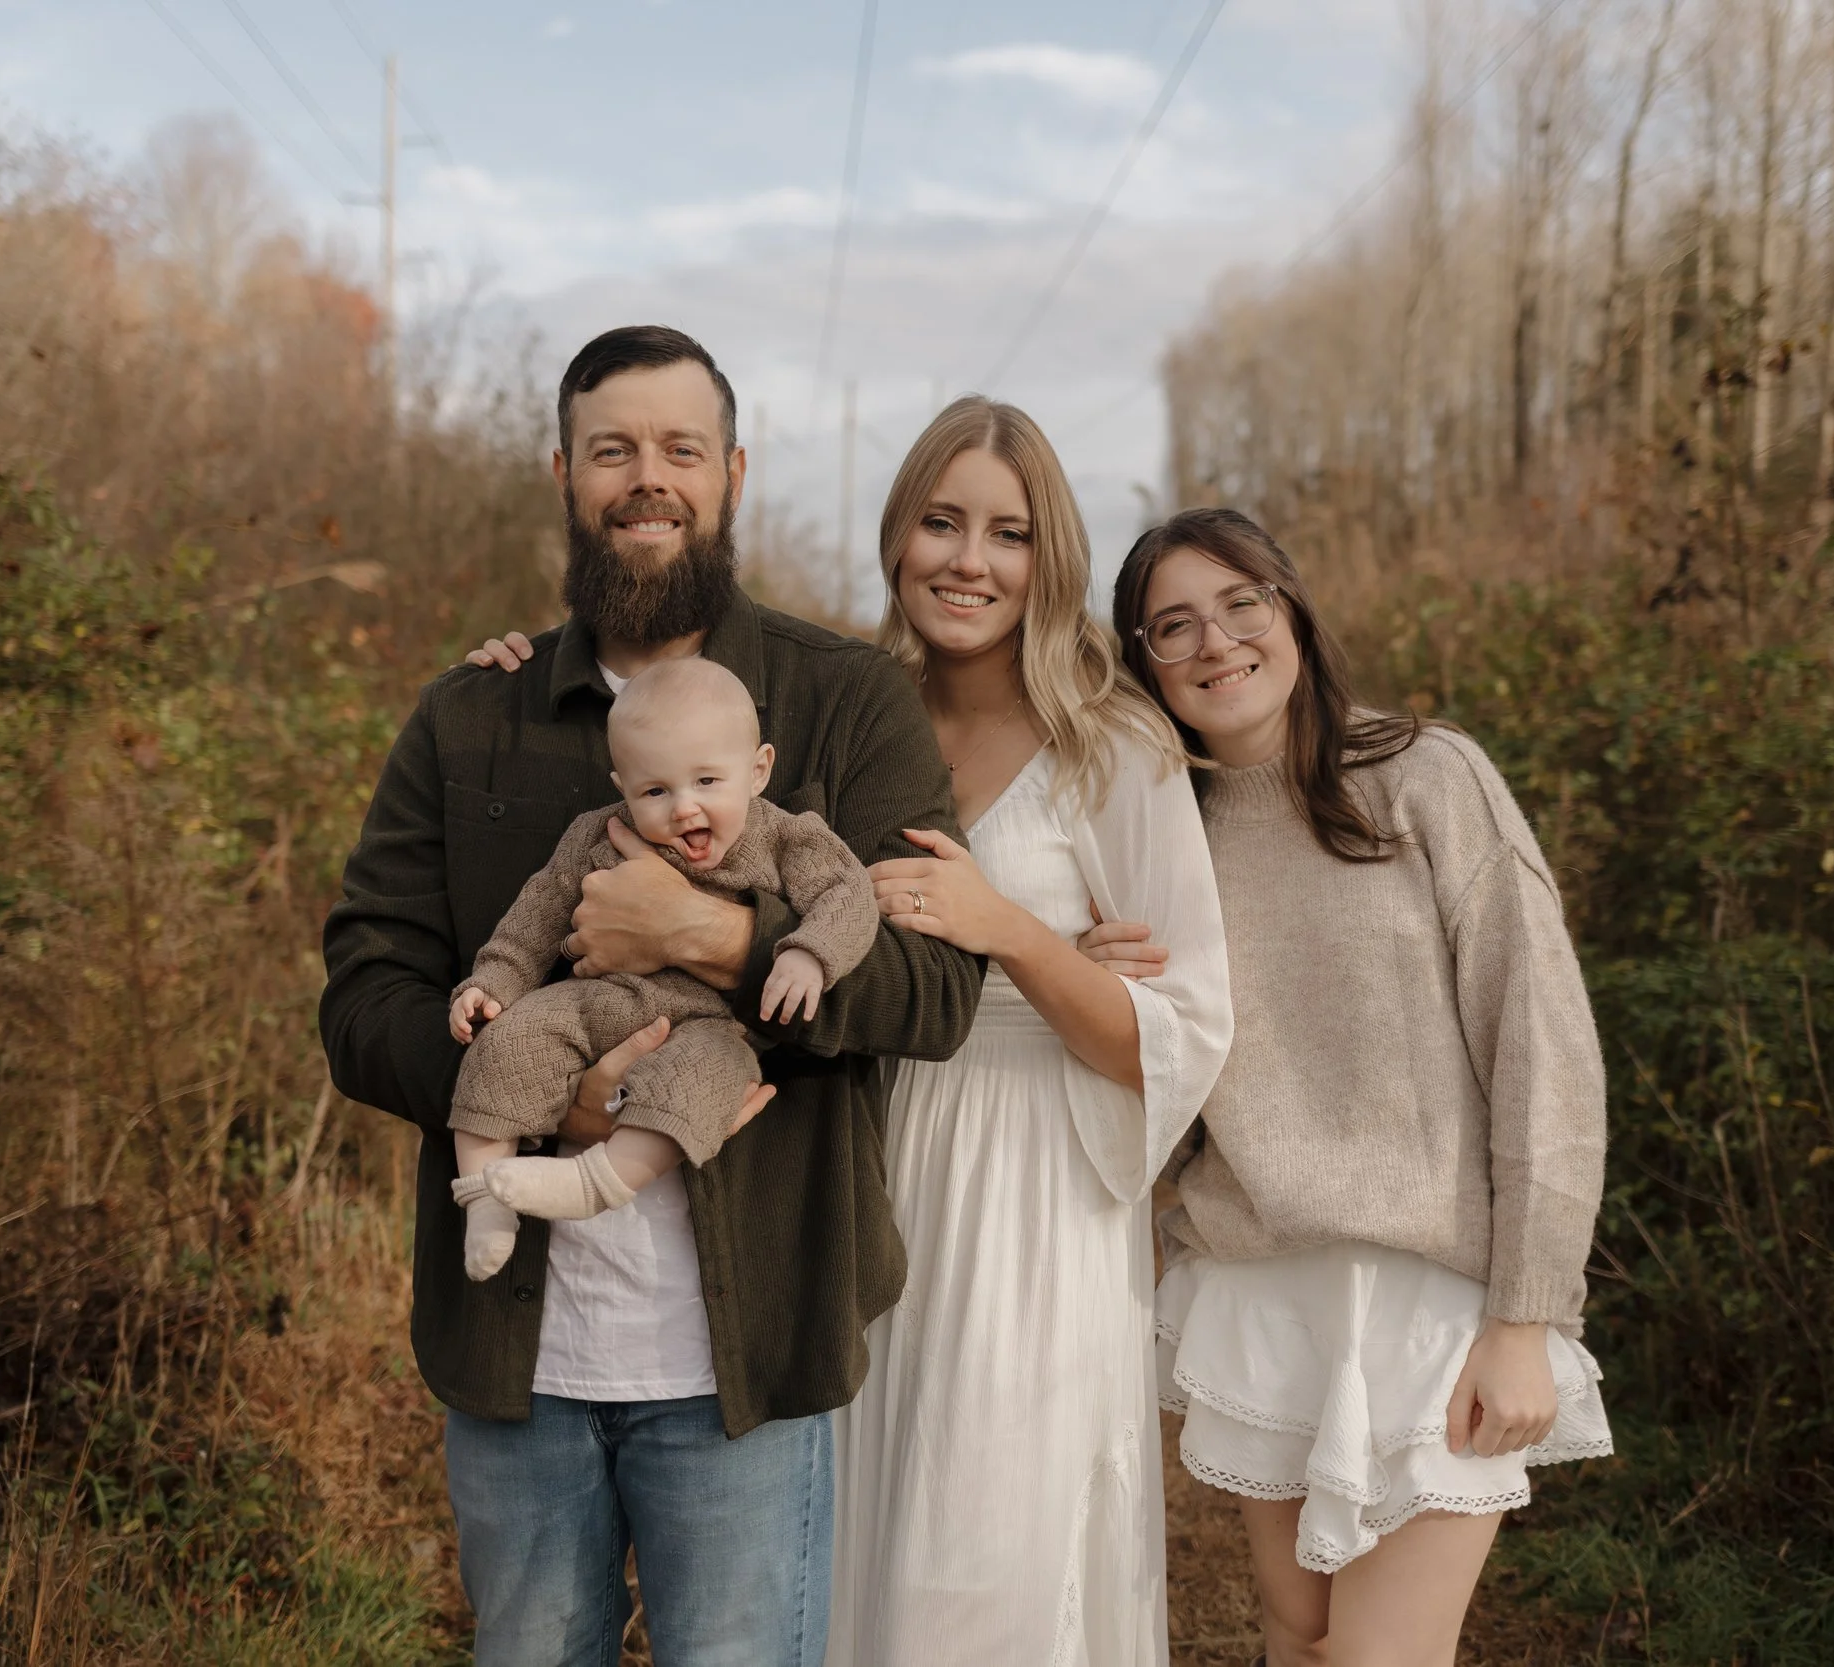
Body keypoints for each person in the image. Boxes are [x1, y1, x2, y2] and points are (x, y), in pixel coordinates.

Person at [320, 324, 983, 1667]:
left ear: (731, 472)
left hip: (751, 1348)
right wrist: (533, 1084)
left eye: (681, 448)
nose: (648, 477)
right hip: (518, 1358)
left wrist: (722, 936)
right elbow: (364, 989)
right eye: (613, 449)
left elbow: (932, 986)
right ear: (564, 473)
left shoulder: (845, 700)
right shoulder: (471, 717)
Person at [1091, 507, 1611, 1667]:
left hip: (1438, 1299)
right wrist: (1096, 983)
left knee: (1380, 1657)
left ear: (1291, 610)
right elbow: (1152, 1078)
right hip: (1263, 1291)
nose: (1215, 641)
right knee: (1299, 1635)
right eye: (1172, 625)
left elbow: (1544, 1049)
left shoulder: (1425, 773)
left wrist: (1526, 1316)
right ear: (1143, 663)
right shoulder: (1155, 836)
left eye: (1241, 604)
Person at [830, 398, 1233, 1665]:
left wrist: (1017, 933)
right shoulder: (850, 716)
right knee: (856, 1524)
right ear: (898, 536)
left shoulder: (1115, 746)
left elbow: (1175, 1033)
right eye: (941, 522)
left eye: (1005, 532)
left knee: (986, 1553)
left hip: (1036, 1183)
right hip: (866, 1159)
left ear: (1046, 557)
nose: (968, 559)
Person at [445, 657, 880, 1273]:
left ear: (758, 771)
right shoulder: (598, 833)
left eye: (707, 782)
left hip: (709, 1021)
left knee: (706, 1080)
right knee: (509, 1040)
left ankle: (593, 1184)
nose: (682, 808)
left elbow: (847, 895)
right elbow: (538, 913)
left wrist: (811, 954)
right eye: (656, 790)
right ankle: (485, 1199)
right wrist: (493, 982)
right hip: (600, 997)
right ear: (622, 787)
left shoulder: (786, 838)